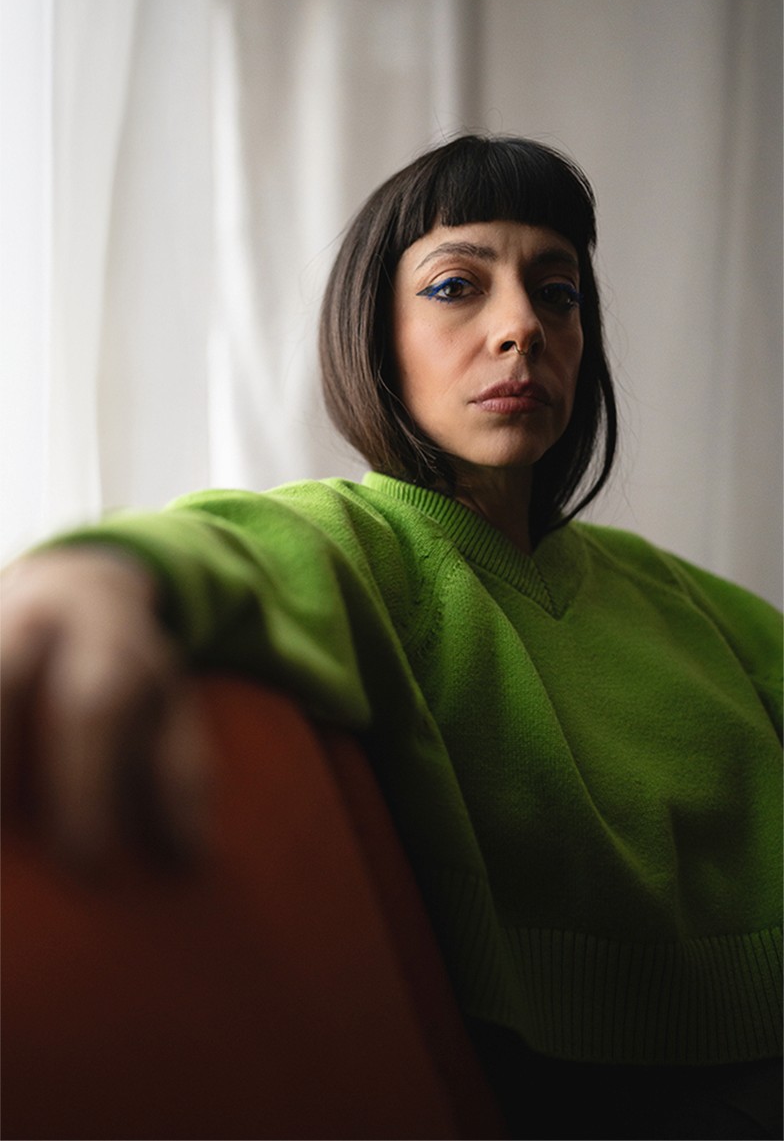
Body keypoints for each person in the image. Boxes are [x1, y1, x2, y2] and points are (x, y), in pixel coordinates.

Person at [2, 134, 781, 1139]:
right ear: (374, 332)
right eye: (457, 286)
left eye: (558, 293)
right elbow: (227, 548)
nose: (520, 329)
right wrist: (89, 577)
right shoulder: (365, 541)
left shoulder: (675, 594)